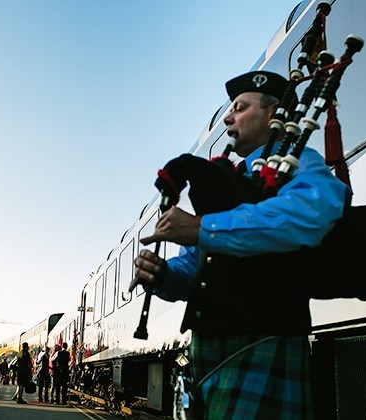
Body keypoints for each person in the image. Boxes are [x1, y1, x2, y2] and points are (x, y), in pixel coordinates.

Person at [129, 71, 350, 418]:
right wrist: (163, 275)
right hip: (209, 347)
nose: (228, 118)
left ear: (274, 113)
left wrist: (201, 226)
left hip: (263, 340)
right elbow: (195, 268)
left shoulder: (298, 161)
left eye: (240, 107)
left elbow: (312, 213)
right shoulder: (229, 180)